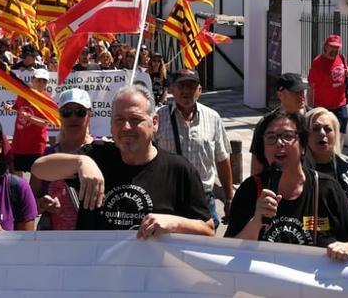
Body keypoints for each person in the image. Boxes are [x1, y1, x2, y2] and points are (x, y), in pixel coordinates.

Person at [31, 85, 214, 238]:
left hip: (151, 275)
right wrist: (80, 162)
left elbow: (208, 230)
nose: (126, 127)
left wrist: (174, 223)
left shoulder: (179, 170)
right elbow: (39, 169)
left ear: (155, 122)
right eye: (119, 120)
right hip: (96, 273)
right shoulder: (97, 155)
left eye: (135, 119)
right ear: (111, 125)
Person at [227, 110, 348, 249]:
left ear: (303, 147)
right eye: (271, 137)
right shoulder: (249, 190)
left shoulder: (326, 188)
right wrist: (256, 222)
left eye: (287, 136)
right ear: (264, 149)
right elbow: (229, 252)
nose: (279, 143)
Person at [154, 70, 234, 228]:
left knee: (204, 246)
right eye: (181, 86)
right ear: (171, 89)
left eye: (191, 86)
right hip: (169, 198)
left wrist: (229, 198)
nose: (186, 91)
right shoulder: (158, 118)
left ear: (199, 90)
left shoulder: (213, 118)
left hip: (203, 198)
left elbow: (222, 159)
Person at [32, 89, 102, 230]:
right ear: (59, 116)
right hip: (56, 242)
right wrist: (42, 204)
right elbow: (30, 201)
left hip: (95, 238)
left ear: (90, 114)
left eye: (80, 112)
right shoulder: (48, 155)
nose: (73, 118)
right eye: (67, 112)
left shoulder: (103, 150)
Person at [305, 108, 348, 225]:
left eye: (327, 129)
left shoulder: (347, 170)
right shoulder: (299, 172)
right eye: (315, 129)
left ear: (335, 134)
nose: (322, 133)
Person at [250, 72, 309, 176]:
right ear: (280, 95)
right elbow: (257, 163)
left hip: (307, 184)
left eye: (302, 91)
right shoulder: (267, 123)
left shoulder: (314, 120)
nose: (301, 96)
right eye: (295, 92)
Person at [9, 68, 52, 177]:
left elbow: (45, 123)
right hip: (19, 143)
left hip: (36, 145)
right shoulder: (23, 94)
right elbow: (17, 107)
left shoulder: (47, 99)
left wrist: (30, 118)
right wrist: (10, 107)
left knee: (36, 177)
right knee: (16, 175)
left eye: (44, 81)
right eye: (38, 80)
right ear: (32, 80)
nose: (41, 83)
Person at [308, 34, 348, 132]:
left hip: (340, 105)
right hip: (322, 106)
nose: (335, 51)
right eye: (332, 47)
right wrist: (310, 109)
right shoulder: (317, 63)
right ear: (325, 47)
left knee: (340, 132)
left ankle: (338, 148)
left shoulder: (341, 58)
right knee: (325, 135)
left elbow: (345, 72)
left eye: (337, 48)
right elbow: (311, 87)